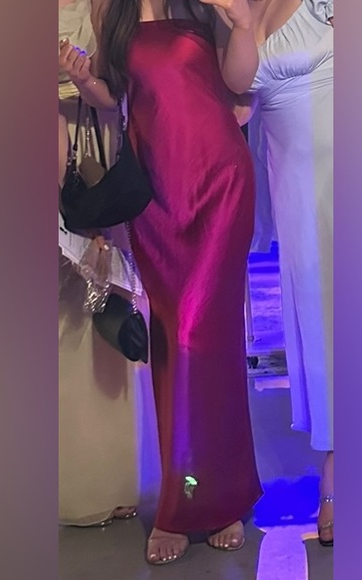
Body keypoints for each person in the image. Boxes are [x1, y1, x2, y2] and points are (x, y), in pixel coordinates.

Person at [59, 0, 263, 565]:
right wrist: (86, 81)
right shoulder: (114, 11)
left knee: (204, 337)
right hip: (157, 197)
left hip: (219, 182)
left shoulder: (200, 5)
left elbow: (238, 80)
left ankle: (201, 502)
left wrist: (243, 24)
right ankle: (199, 490)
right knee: (173, 342)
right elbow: (114, 94)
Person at [58, 0, 158, 529]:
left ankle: (106, 478)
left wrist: (83, 80)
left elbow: (114, 91)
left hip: (90, 146)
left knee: (100, 305)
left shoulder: (103, 5)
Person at [243, 0, 334, 546]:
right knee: (320, 328)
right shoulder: (232, 9)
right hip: (293, 188)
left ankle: (338, 480)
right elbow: (236, 97)